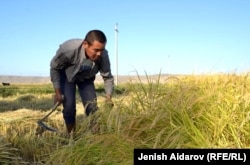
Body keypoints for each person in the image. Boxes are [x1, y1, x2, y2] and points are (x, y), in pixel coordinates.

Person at [50, 29, 114, 135]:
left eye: (102, 50)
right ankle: (71, 137)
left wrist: (108, 97)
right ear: (85, 44)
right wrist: (57, 92)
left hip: (86, 79)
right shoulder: (68, 49)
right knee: (69, 108)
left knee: (92, 108)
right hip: (67, 77)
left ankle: (96, 138)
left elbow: (107, 77)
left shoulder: (103, 55)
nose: (99, 54)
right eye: (96, 50)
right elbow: (54, 68)